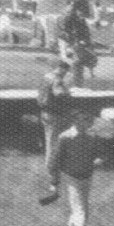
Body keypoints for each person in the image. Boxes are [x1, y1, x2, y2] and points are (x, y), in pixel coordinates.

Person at [50, 109, 103, 226]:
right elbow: (55, 160)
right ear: (73, 121)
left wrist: (98, 159)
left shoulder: (92, 136)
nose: (83, 123)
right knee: (80, 209)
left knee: (80, 208)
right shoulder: (65, 137)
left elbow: (98, 153)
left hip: (87, 176)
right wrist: (54, 182)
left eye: (86, 120)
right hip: (71, 177)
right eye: (79, 120)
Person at [37, 60, 74, 201]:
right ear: (62, 69)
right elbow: (59, 93)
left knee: (50, 143)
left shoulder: (46, 76)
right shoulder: (57, 80)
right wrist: (67, 93)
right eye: (65, 71)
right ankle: (53, 176)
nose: (65, 74)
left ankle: (52, 172)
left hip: (45, 113)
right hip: (55, 115)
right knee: (54, 146)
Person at [58, 0, 95, 85]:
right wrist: (73, 43)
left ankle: (76, 83)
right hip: (69, 41)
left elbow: (84, 30)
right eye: (83, 3)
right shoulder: (70, 13)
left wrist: (85, 41)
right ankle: (73, 83)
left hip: (74, 41)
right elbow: (66, 30)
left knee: (75, 61)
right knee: (73, 61)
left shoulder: (77, 14)